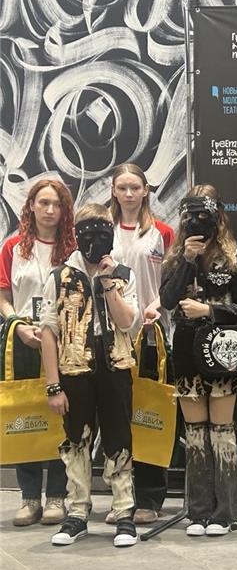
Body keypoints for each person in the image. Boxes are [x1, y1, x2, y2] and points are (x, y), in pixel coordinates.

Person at [40, 204, 139, 547]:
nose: (95, 239)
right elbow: (48, 333)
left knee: (119, 437)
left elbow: (127, 322)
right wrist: (53, 385)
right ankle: (77, 512)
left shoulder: (124, 274)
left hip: (115, 367)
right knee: (76, 439)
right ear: (75, 234)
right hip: (73, 369)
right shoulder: (58, 277)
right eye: (87, 231)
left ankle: (124, 512)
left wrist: (109, 284)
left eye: (103, 231)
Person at [159, 185, 237, 536]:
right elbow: (167, 300)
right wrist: (186, 259)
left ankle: (227, 512)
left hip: (222, 351)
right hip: (186, 350)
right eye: (190, 216)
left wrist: (209, 311)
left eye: (204, 215)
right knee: (195, 434)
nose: (197, 222)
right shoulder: (174, 258)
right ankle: (198, 511)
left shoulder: (232, 258)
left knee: (222, 432)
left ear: (217, 217)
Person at [0, 179, 77, 527]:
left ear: (64, 211)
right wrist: (17, 323)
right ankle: (29, 497)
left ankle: (57, 496)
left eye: (57, 204)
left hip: (64, 340)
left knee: (62, 416)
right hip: (24, 338)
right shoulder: (13, 247)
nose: (49, 210)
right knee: (26, 413)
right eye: (43, 203)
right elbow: (3, 297)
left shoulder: (73, 249)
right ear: (31, 205)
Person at [108, 163, 174, 525]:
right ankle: (122, 497)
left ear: (146, 190)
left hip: (150, 335)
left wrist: (158, 304)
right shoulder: (104, 231)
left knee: (149, 415)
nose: (129, 194)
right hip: (112, 337)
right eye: (123, 188)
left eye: (135, 187)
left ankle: (149, 497)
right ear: (114, 191)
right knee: (117, 418)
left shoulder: (161, 233)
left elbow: (175, 280)